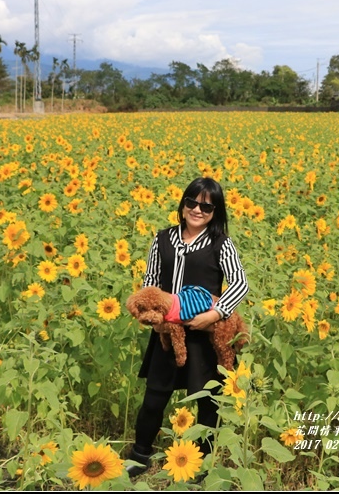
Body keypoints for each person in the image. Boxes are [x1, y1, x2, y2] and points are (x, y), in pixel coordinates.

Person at [126, 177, 249, 478]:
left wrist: (215, 315)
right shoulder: (163, 239)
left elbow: (240, 284)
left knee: (206, 401)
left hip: (203, 336)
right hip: (167, 333)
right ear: (182, 206)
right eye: (192, 202)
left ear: (215, 212)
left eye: (206, 206)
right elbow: (150, 280)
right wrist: (154, 317)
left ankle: (202, 466)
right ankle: (140, 455)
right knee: (155, 396)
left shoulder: (221, 244)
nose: (197, 209)